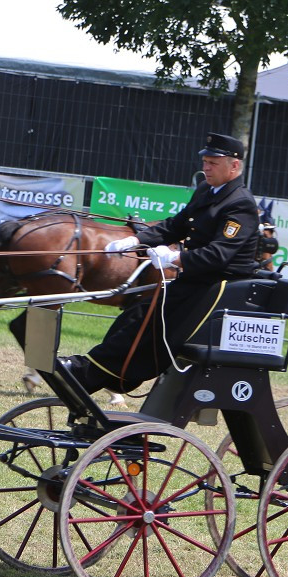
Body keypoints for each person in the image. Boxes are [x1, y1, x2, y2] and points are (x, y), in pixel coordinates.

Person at [62, 132, 262, 393]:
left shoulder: (240, 205)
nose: (206, 167)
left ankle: (89, 373)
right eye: (205, 161)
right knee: (134, 316)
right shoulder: (206, 191)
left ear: (234, 165)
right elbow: (175, 226)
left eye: (213, 162)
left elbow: (219, 254)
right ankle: (105, 374)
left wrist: (175, 257)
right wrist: (136, 240)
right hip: (195, 282)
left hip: (220, 289)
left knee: (155, 326)